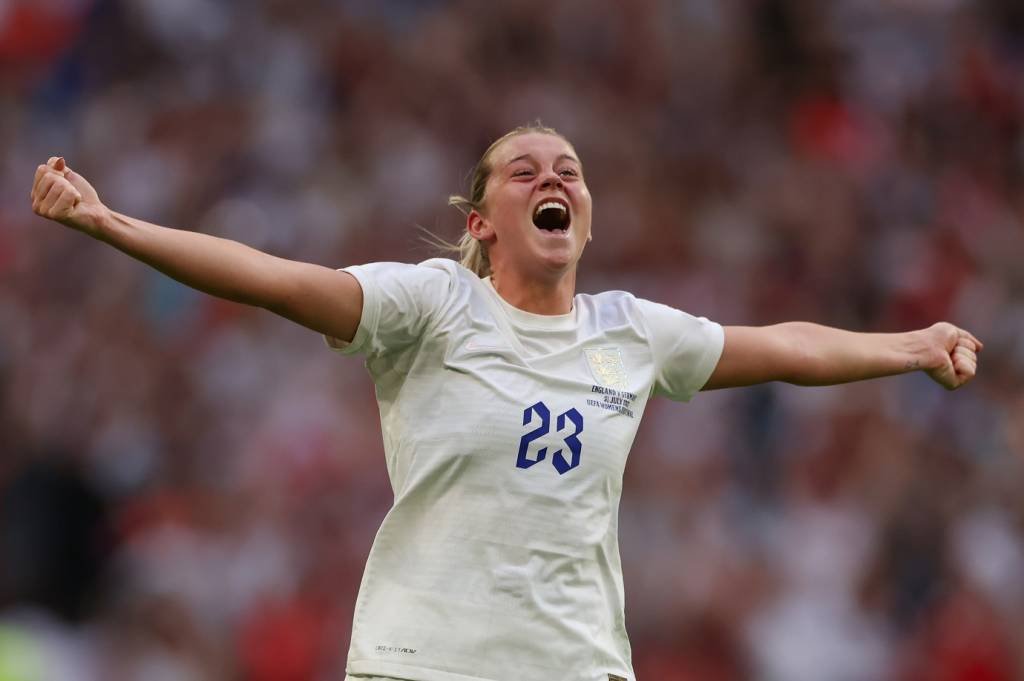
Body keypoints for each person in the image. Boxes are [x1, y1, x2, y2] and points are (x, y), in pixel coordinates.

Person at [30, 123, 980, 681]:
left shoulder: (630, 331)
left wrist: (910, 345)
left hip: (576, 667)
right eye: (525, 170)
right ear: (483, 225)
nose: (554, 177)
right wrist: (112, 223)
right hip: (424, 663)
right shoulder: (433, 304)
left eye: (567, 169)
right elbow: (277, 279)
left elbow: (781, 348)